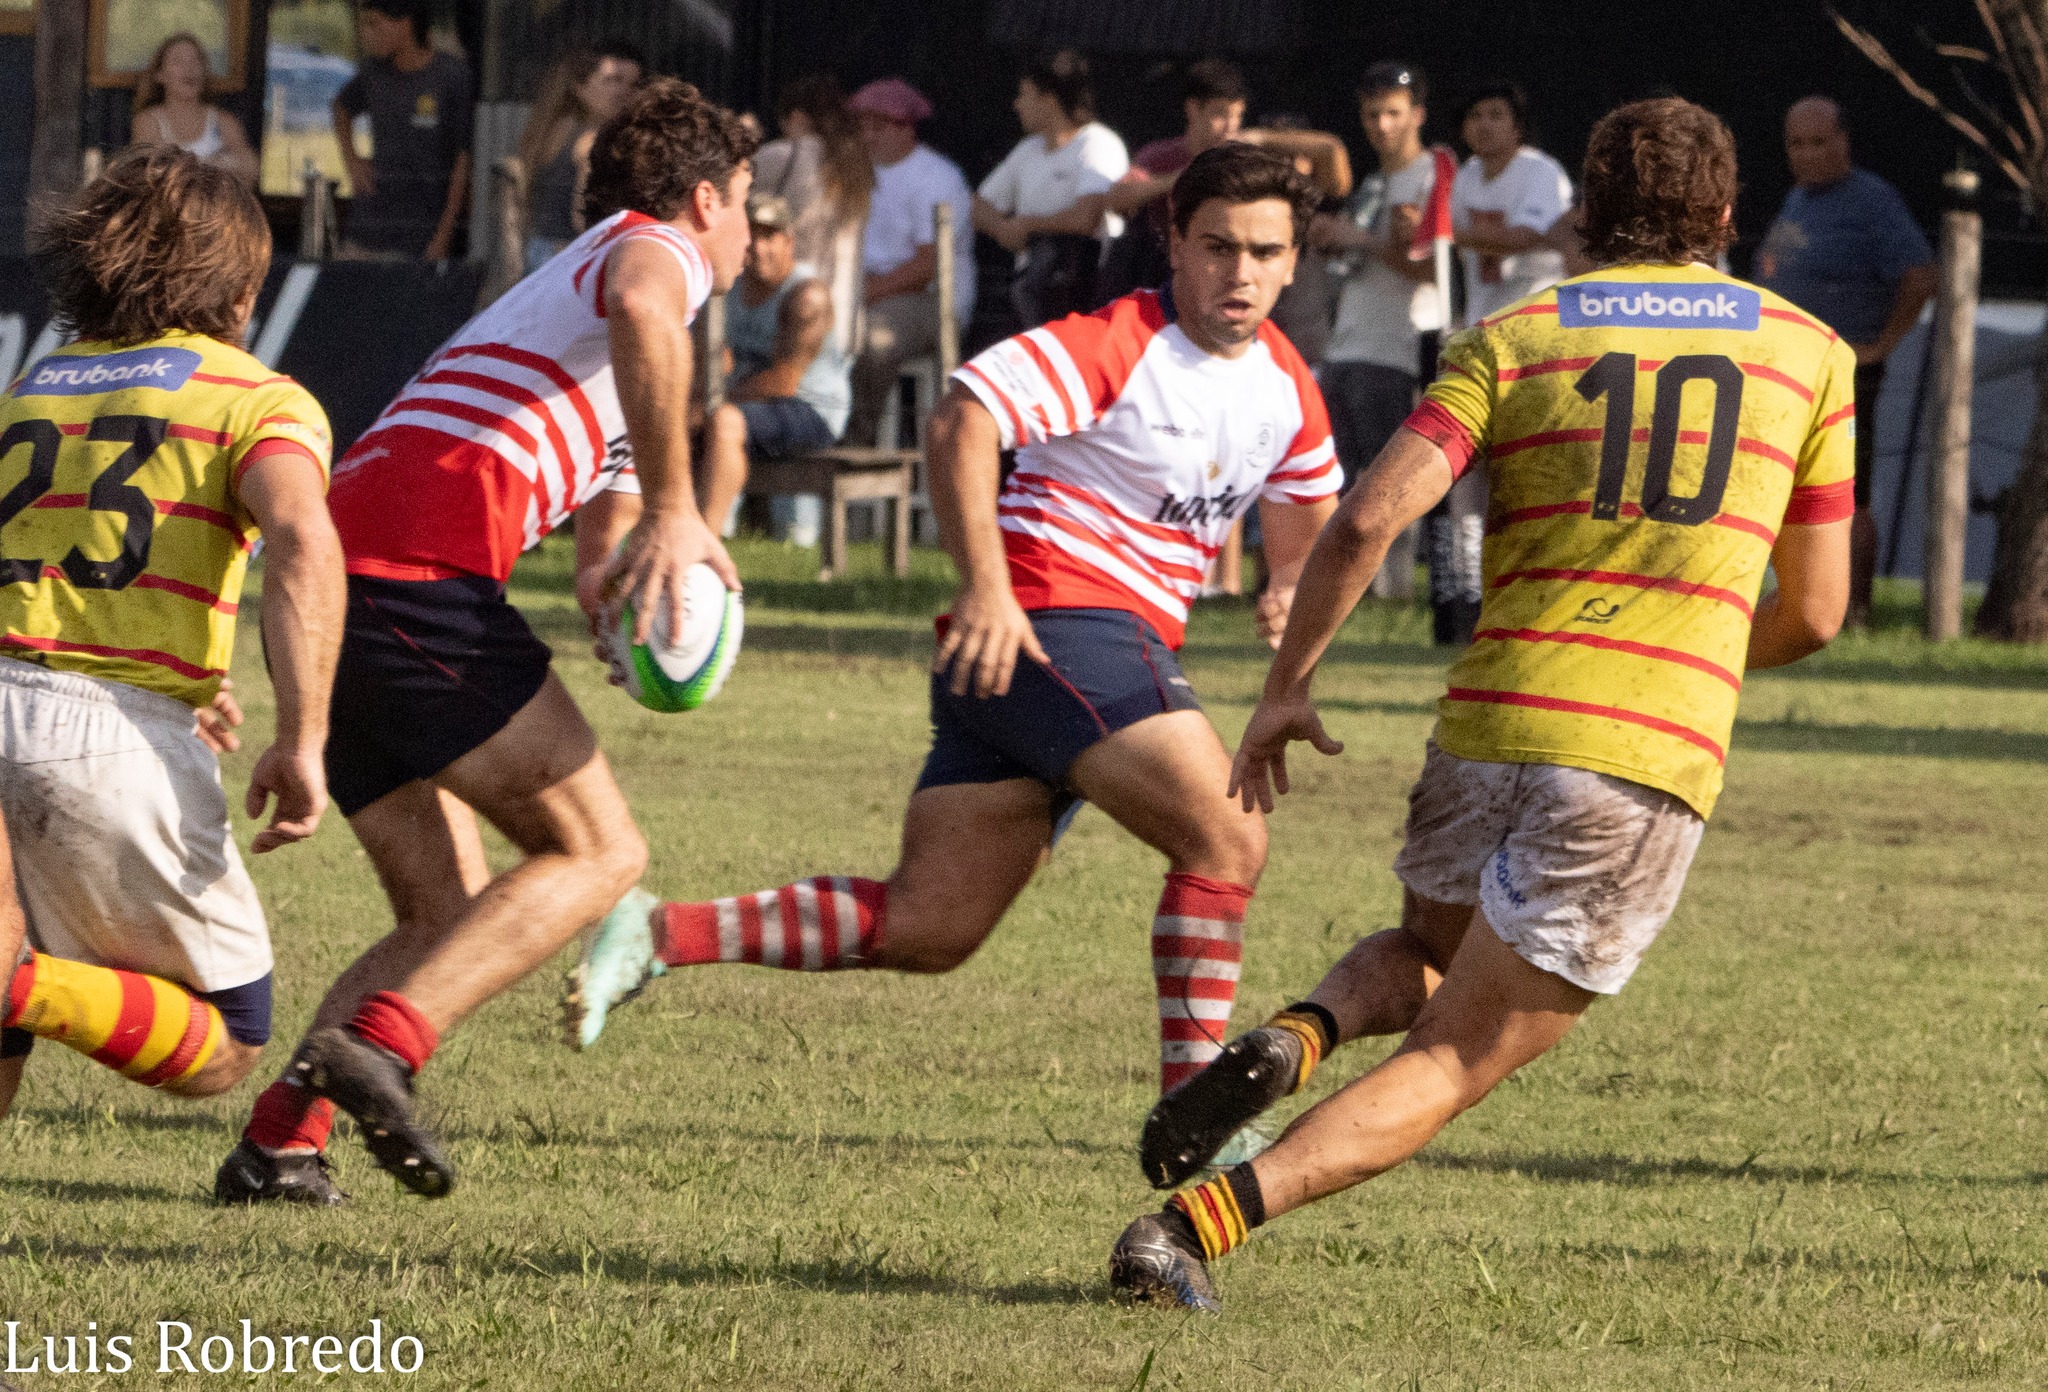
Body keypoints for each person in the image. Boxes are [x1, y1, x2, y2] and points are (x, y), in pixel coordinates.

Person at [1105, 97, 1856, 1311]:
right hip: (1633, 759)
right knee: (1455, 1051)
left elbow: (1362, 519)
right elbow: (1816, 611)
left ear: (1584, 215)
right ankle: (1188, 1228)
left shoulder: (1517, 331)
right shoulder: (1807, 352)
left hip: (1489, 722)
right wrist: (1702, 649)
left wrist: (1284, 690)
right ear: (1723, 218)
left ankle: (1295, 1034)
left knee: (1427, 953)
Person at [569, 144, 1340, 1127]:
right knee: (1224, 836)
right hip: (1052, 624)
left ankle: (657, 931)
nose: (1238, 272)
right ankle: (1197, 1111)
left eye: (1262, 252)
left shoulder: (1285, 383)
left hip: (1044, 663)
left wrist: (1286, 592)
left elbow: (1306, 530)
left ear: (1290, 262)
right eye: (1216, 246)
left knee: (929, 926)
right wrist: (986, 587)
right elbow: (961, 419)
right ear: (1173, 244)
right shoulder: (1116, 341)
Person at [212, 79, 755, 1205]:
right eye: (747, 201)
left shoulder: (567, 301)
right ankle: (385, 1046)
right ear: (707, 199)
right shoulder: (657, 251)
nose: (749, 228)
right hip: (413, 580)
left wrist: (624, 594)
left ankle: (280, 1144)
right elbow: (651, 316)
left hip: (329, 593)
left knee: (446, 910)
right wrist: (678, 507)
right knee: (601, 853)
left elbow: (598, 524)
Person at [0, 148, 344, 1146]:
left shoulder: (33, 387)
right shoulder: (256, 398)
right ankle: (21, 981)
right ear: (240, 294)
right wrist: (305, 734)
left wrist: (184, 676)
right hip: (103, 738)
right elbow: (300, 540)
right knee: (233, 1036)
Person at [1756, 96, 1936, 629]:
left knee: (1845, 494)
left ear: (1844, 143)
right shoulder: (1799, 199)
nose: (1806, 155)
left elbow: (1922, 276)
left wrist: (1879, 346)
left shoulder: (1871, 202)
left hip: (1843, 375)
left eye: (1818, 143)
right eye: (1796, 144)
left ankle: (1851, 609)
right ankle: (1795, 600)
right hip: (1786, 372)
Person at [1427, 82, 1574, 647]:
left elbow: (1527, 234)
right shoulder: (1462, 177)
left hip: (1542, 341)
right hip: (1484, 338)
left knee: (1534, 475)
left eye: (1497, 115)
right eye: (1475, 115)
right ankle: (1475, 602)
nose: (1485, 125)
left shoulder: (1540, 172)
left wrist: (1443, 231)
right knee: (1474, 478)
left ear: (1518, 125)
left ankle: (1540, 597)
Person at [1313, 62, 1452, 602]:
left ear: (1417, 114)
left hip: (1398, 345)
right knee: (1339, 479)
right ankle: (1348, 591)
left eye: (1393, 113)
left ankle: (1394, 591)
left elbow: (1430, 266)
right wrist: (1335, 239)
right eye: (1372, 114)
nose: (1381, 125)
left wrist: (1355, 238)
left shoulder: (1432, 175)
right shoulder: (1374, 182)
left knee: (1390, 480)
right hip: (1348, 340)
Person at [1101, 59, 1345, 305]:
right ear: (1193, 109)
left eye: (1237, 115)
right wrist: (1181, 177)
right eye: (1220, 114)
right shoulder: (1159, 157)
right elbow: (1116, 198)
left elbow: (1330, 152)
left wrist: (1260, 137)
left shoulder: (1246, 157)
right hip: (1170, 284)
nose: (1230, 126)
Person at [703, 192, 852, 546]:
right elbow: (709, 360)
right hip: (745, 401)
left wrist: (709, 401)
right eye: (751, 235)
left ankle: (709, 535)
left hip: (811, 408)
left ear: (789, 242)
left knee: (723, 422)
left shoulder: (806, 295)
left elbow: (784, 382)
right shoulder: (726, 287)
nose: (758, 247)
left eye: (769, 237)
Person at [843, 78, 975, 449]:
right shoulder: (856, 171)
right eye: (863, 126)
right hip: (869, 293)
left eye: (879, 126)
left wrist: (860, 296)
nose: (868, 136)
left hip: (933, 303)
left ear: (907, 128)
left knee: (871, 340)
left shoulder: (936, 176)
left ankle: (854, 444)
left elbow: (925, 268)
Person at [973, 52, 1129, 328]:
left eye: (1024, 95)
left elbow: (1086, 218)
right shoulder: (1026, 150)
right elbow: (977, 205)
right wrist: (1003, 229)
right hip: (1029, 291)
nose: (1017, 105)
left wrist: (1027, 225)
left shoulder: (1097, 143)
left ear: (1048, 100)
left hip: (1085, 295)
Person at [332, 0, 476, 262]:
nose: (367, 34)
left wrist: (443, 236)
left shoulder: (451, 77)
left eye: (374, 24)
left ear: (404, 23)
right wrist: (352, 160)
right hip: (366, 229)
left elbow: (461, 164)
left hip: (419, 236)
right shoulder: (374, 74)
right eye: (364, 25)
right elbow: (341, 108)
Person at [754, 76, 873, 366]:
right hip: (845, 322)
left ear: (795, 117)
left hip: (793, 316)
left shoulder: (783, 155)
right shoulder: (856, 166)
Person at [517, 43, 645, 270]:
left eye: (634, 84)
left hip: (539, 250)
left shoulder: (553, 128)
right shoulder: (591, 141)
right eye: (613, 81)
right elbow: (585, 218)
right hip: (568, 257)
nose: (625, 92)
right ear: (580, 87)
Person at [128, 32, 259, 186]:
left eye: (196, 60)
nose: (189, 68)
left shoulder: (224, 121)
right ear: (160, 75)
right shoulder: (148, 121)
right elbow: (147, 171)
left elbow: (250, 169)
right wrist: (216, 164)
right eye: (178, 61)